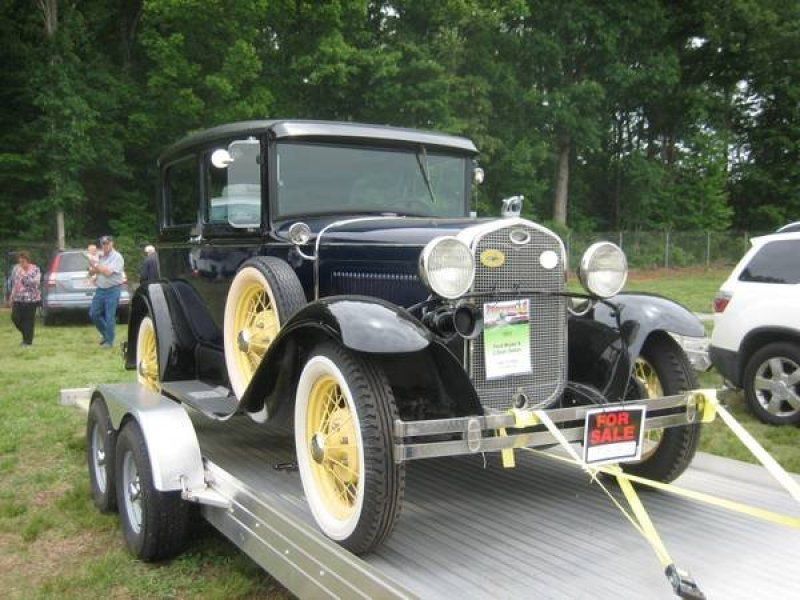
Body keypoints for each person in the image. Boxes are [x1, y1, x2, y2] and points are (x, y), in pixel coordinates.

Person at [89, 235, 125, 348]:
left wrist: (95, 265)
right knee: (94, 314)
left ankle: (109, 342)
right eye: (103, 244)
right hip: (100, 289)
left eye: (107, 243)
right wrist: (93, 268)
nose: (105, 246)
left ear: (112, 243)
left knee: (110, 316)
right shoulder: (101, 256)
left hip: (113, 289)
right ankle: (106, 334)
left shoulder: (117, 257)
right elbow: (92, 272)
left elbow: (108, 272)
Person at [9, 251, 41, 346]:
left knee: (28, 321)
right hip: (18, 298)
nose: (21, 264)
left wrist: (25, 277)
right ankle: (27, 336)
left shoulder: (35, 269)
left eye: (23, 262)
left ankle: (27, 341)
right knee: (15, 318)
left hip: (31, 299)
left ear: (27, 260)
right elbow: (15, 283)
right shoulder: (16, 269)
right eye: (20, 262)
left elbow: (36, 283)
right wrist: (12, 296)